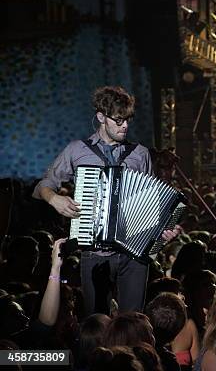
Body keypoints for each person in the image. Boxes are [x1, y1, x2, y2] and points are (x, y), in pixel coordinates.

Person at [32, 86, 179, 316]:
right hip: (95, 253)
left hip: (134, 253)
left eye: (128, 120)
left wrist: (163, 229)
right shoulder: (77, 150)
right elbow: (43, 185)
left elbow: (152, 200)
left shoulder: (139, 153)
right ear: (101, 117)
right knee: (97, 322)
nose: (125, 126)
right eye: (119, 120)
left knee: (133, 323)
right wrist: (55, 199)